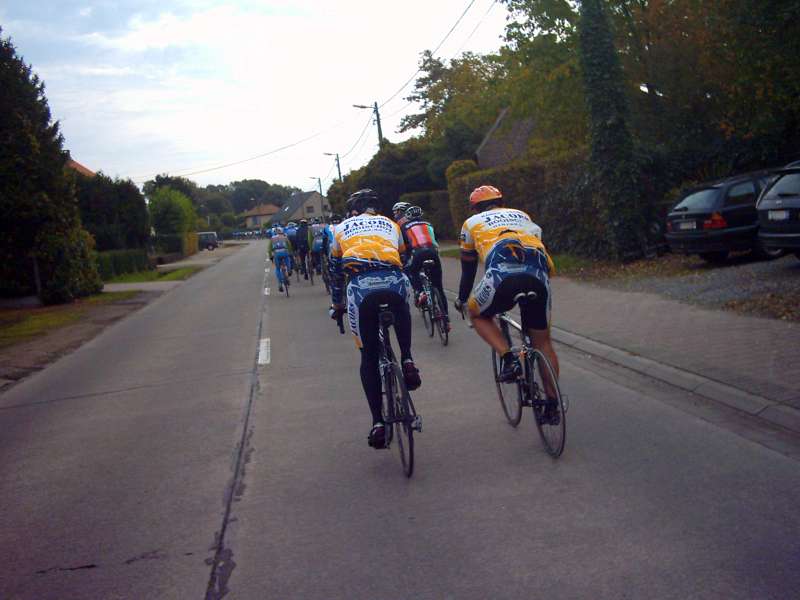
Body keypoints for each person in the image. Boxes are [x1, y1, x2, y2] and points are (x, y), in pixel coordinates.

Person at [329, 189, 422, 449]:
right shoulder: (391, 224)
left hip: (361, 289)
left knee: (368, 356)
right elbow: (404, 257)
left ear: (353, 210)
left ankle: (378, 423)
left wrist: (337, 304)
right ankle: (407, 359)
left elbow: (334, 271)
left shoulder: (340, 229)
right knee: (400, 305)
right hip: (394, 282)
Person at [455, 185, 560, 403]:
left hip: (503, 277)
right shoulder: (522, 215)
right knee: (543, 342)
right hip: (538, 275)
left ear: (475, 209)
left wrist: (463, 299)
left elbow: (468, 268)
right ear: (501, 202)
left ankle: (508, 357)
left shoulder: (471, 223)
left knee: (477, 314)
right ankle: (553, 403)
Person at [400, 205, 450, 328]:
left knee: (412, 271)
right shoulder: (429, 224)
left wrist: (404, 259)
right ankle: (446, 319)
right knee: (438, 286)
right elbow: (434, 239)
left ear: (408, 217)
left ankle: (421, 292)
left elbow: (405, 246)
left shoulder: (404, 227)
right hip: (433, 253)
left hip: (418, 253)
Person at [268, 226, 293, 293]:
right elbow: (289, 245)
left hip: (277, 254)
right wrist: (290, 252)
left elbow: (269, 249)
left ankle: (280, 283)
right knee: (287, 259)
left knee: (278, 268)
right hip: (284, 253)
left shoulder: (272, 238)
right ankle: (289, 269)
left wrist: (271, 257)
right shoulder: (284, 237)